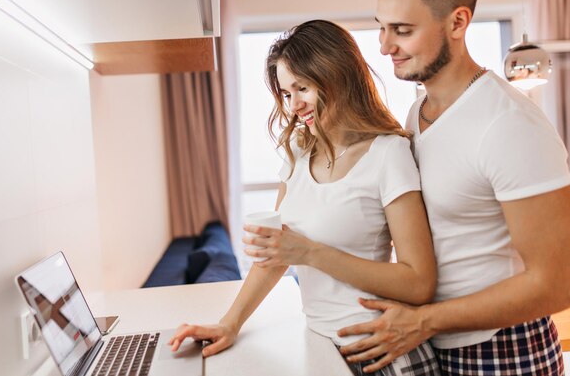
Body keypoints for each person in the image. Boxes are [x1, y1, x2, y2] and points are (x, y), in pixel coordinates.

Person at [336, 0, 570, 375]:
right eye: (382, 26)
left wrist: (424, 320)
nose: (384, 46)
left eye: (403, 30)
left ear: (457, 22)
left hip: (504, 349)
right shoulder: (417, 113)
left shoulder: (508, 123)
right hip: (436, 340)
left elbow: (560, 283)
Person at [169, 19, 441, 376]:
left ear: (337, 76)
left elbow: (419, 282)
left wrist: (310, 252)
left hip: (382, 353)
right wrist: (229, 324)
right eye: (285, 93)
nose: (293, 104)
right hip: (322, 348)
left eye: (302, 88)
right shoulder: (298, 149)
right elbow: (277, 254)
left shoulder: (388, 153)